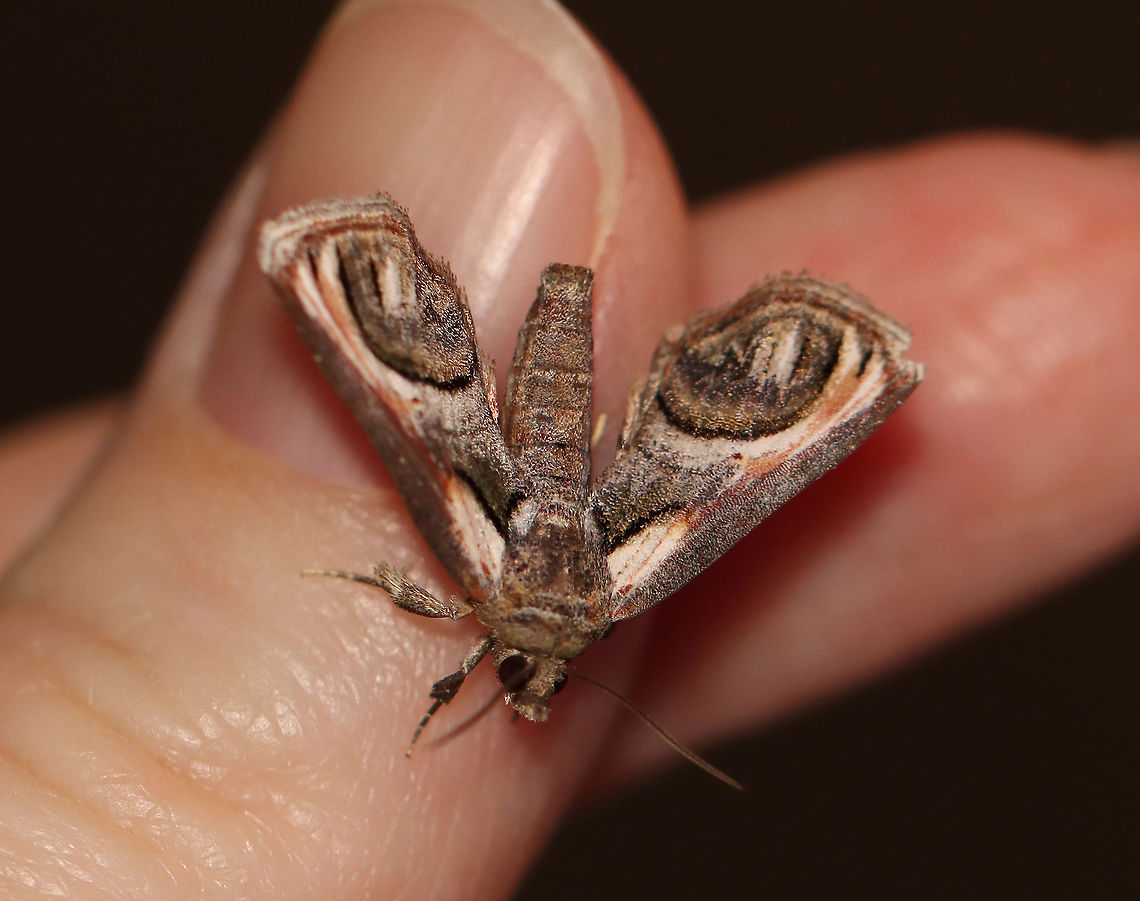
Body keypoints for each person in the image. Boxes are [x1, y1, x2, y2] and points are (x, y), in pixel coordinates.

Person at [2, 1, 1138, 896]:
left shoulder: (588, 586)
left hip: (522, 446)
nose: (536, 690)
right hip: (572, 457)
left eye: (520, 672)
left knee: (391, 362)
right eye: (538, 674)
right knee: (778, 426)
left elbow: (425, 595)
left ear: (499, 649)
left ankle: (356, 288)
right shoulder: (577, 581)